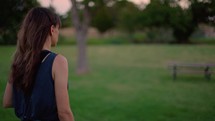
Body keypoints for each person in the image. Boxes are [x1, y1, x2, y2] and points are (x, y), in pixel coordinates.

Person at [3, 7, 74, 121]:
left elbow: (7, 101)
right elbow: (64, 113)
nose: (58, 33)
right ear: (52, 29)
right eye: (58, 28)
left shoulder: (19, 60)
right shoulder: (58, 61)